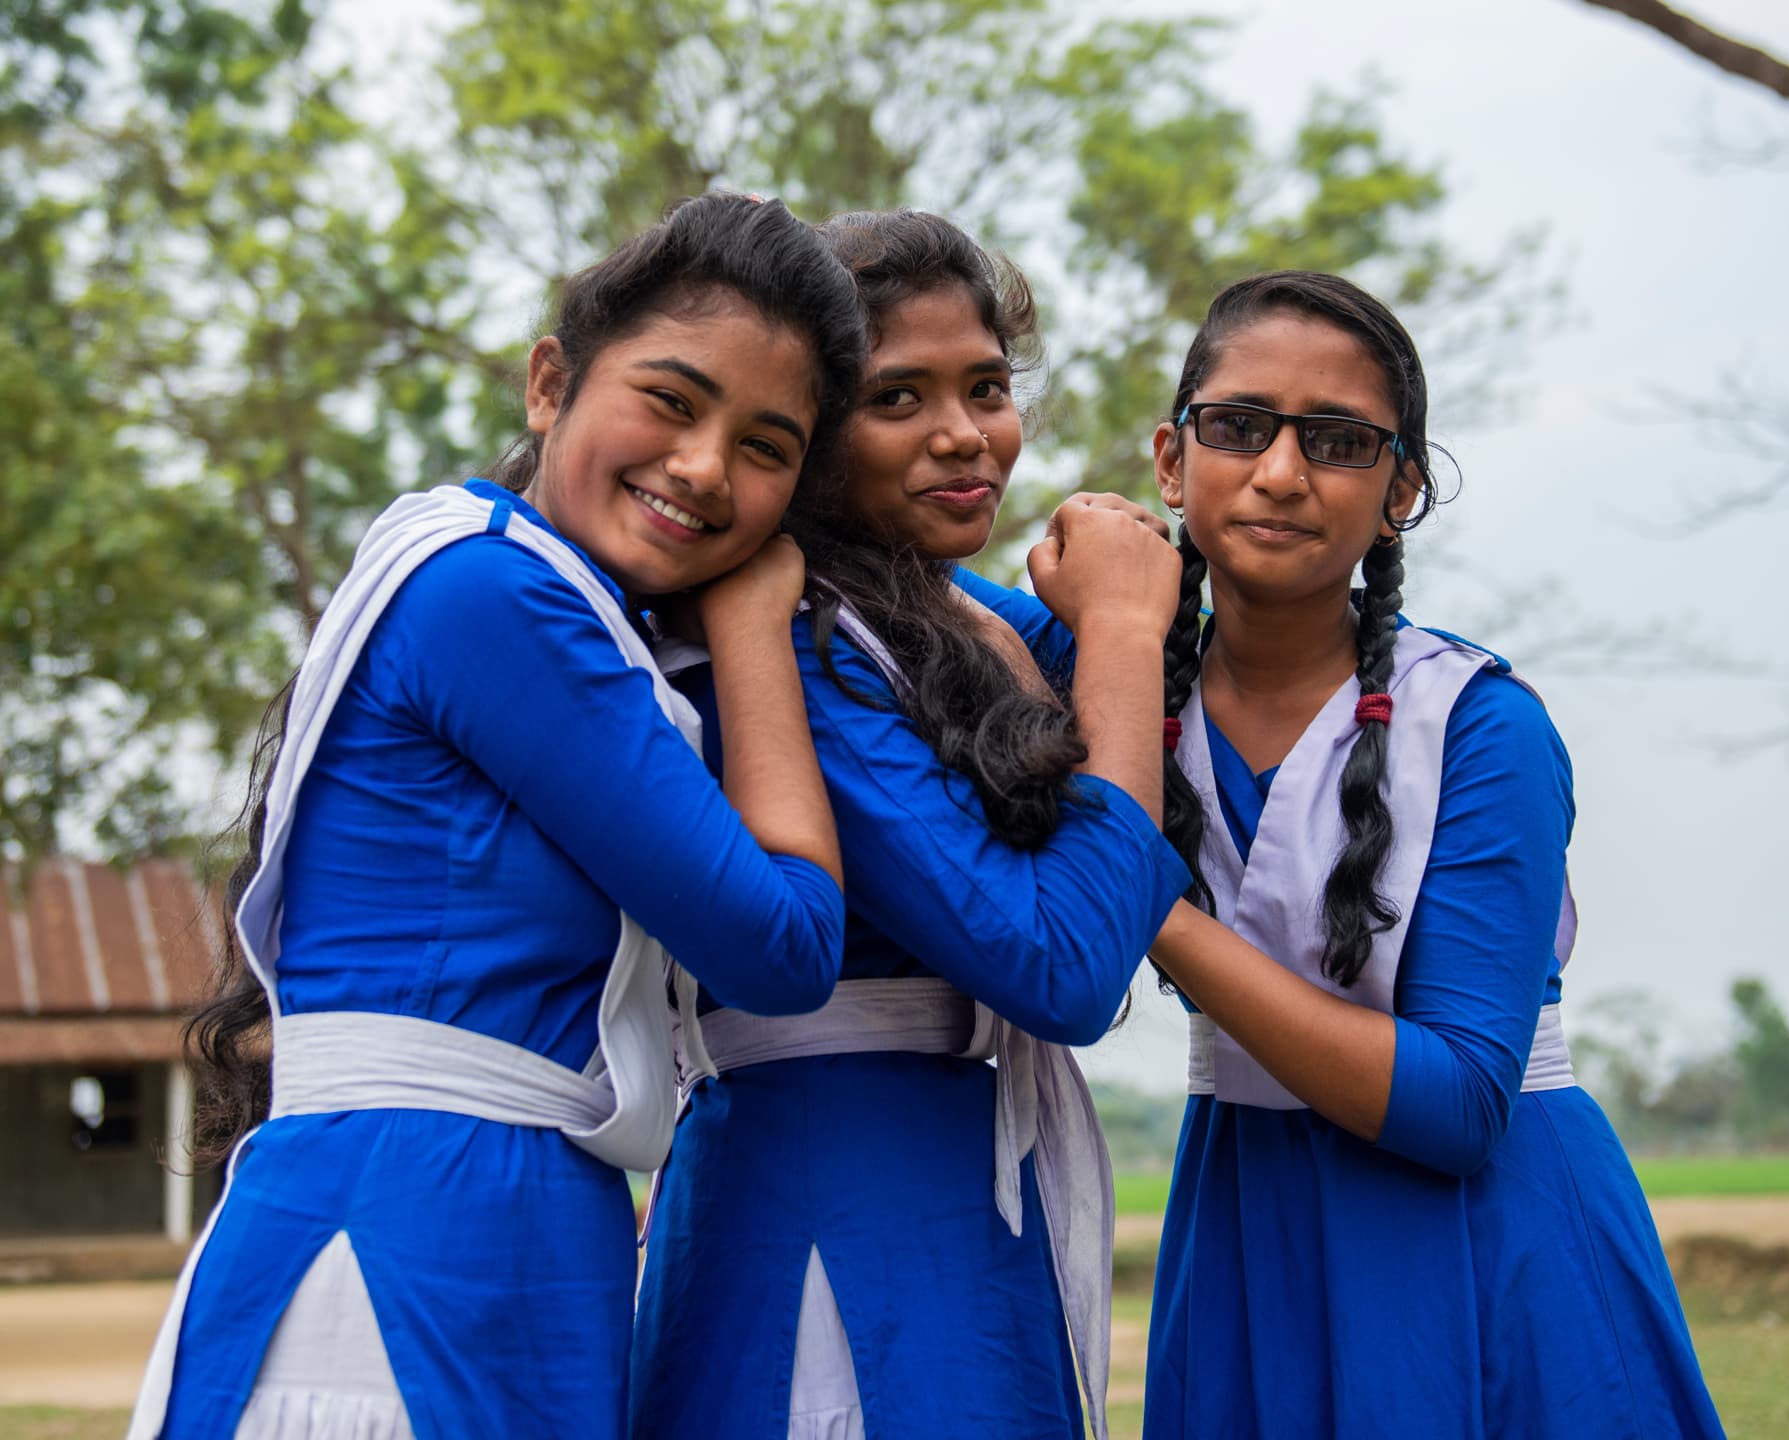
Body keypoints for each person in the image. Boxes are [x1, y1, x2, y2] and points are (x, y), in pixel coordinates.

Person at [129, 193, 867, 1440]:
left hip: (511, 1226)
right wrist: (754, 629)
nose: (703, 467)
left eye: (766, 446)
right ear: (549, 383)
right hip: (416, 1231)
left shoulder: (557, 608)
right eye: (673, 401)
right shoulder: (490, 594)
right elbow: (785, 944)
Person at [628, 210, 1192, 1440]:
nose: (964, 436)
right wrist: (1127, 631)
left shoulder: (952, 613)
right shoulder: (792, 643)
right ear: (812, 434)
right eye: (899, 399)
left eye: (986, 386)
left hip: (953, 1176)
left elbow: (1166, 724)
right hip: (836, 1185)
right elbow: (1063, 963)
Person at [1132, 271, 1725, 1438]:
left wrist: (1147, 903)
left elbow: (1458, 1103)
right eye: (1240, 427)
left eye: (1341, 442)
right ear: (1170, 459)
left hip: (1490, 1245)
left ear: (1401, 489)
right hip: (1251, 1224)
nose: (1281, 472)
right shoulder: (1120, 692)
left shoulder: (1482, 727)